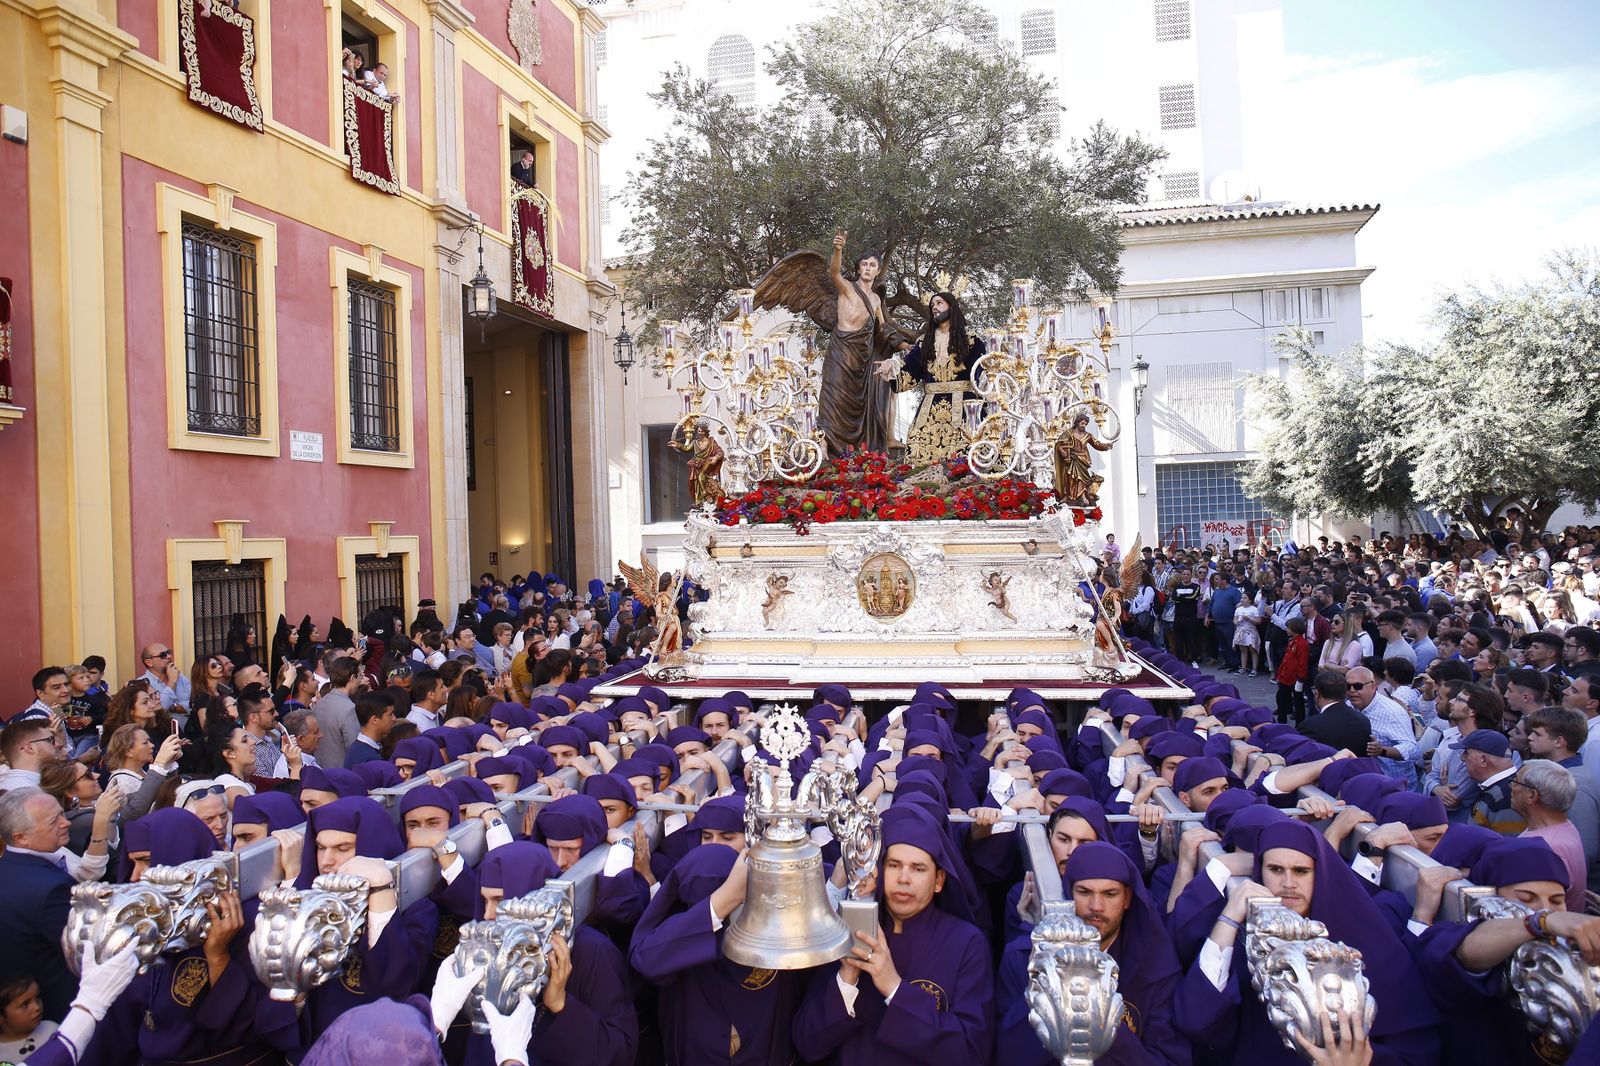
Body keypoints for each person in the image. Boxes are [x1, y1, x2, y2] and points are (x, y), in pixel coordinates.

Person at [1174, 820, 1439, 1063]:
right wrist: (1230, 916)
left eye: (1301, 871)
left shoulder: (1370, 937)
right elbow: (1196, 1018)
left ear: (1320, 873)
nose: (1288, 883)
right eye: (1275, 869)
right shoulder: (1248, 939)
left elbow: (1418, 1049)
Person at [791, 804, 993, 1065]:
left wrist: (894, 988)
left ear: (939, 880)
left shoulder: (967, 943)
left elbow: (969, 1054)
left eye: (918, 868)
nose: (904, 878)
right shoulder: (849, 932)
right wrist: (847, 980)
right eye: (894, 865)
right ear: (879, 870)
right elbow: (806, 1043)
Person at [996, 842, 1189, 1066]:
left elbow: (1169, 1058)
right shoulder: (1024, 959)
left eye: (1110, 894)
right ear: (1068, 894)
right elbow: (1008, 1053)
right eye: (1084, 892)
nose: (1096, 906)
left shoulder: (1156, 967)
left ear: (1127, 898)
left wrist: (1101, 1022)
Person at [0, 789, 81, 1021]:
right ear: (20, 837)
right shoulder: (51, 889)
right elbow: (82, 953)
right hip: (57, 1012)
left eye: (62, 814)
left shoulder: (8, 867)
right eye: (54, 821)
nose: (66, 823)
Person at [894, 291, 987, 467]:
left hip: (966, 408)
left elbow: (982, 373)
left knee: (969, 455)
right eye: (932, 305)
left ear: (951, 307)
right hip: (929, 410)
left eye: (939, 303)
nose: (934, 308)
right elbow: (909, 374)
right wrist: (891, 371)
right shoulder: (924, 342)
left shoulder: (971, 340)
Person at [313, 657, 363, 770]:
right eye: (360, 676)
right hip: (341, 772)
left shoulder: (320, 704)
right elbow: (353, 747)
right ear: (352, 678)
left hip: (320, 769)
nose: (361, 681)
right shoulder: (349, 708)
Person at [346, 692, 397, 768]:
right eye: (390, 714)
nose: (394, 718)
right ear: (375, 720)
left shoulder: (361, 749)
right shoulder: (367, 759)